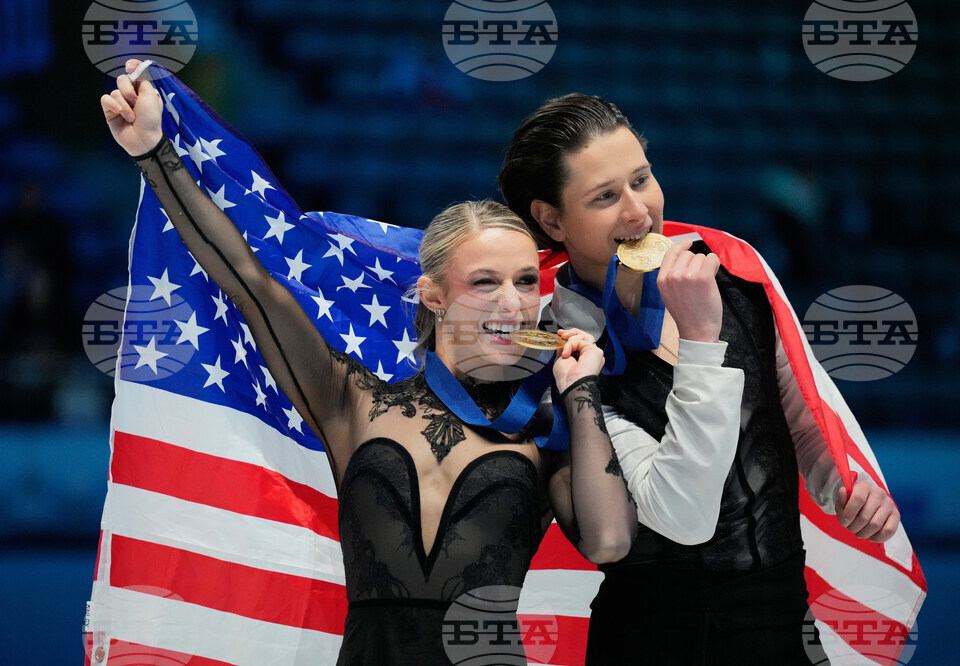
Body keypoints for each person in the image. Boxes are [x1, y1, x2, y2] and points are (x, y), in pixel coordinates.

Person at [101, 64, 637, 665]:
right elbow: (248, 280)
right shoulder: (351, 400)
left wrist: (583, 392)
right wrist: (155, 153)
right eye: (485, 282)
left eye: (521, 281)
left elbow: (610, 541)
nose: (512, 302)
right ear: (434, 296)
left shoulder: (544, 425)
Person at [498, 93, 901, 665]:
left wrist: (845, 488)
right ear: (550, 218)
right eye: (605, 196)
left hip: (783, 626)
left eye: (642, 178)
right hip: (653, 640)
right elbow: (680, 515)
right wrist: (702, 340)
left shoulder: (737, 274)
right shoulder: (553, 351)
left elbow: (797, 426)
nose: (638, 211)